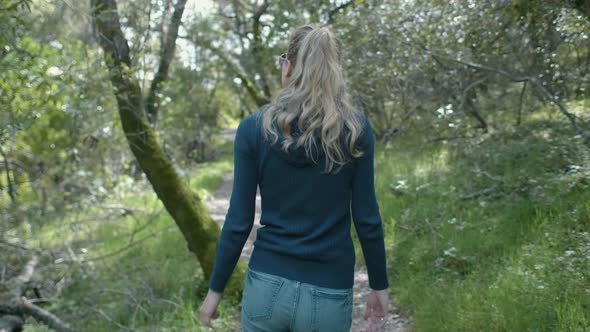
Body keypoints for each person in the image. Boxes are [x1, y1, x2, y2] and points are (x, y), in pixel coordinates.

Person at [199, 23, 390, 332]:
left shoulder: (254, 129)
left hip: (266, 288)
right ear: (334, 71)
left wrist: (214, 292)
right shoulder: (356, 130)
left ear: (289, 67)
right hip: (328, 292)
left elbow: (238, 221)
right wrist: (379, 286)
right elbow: (367, 218)